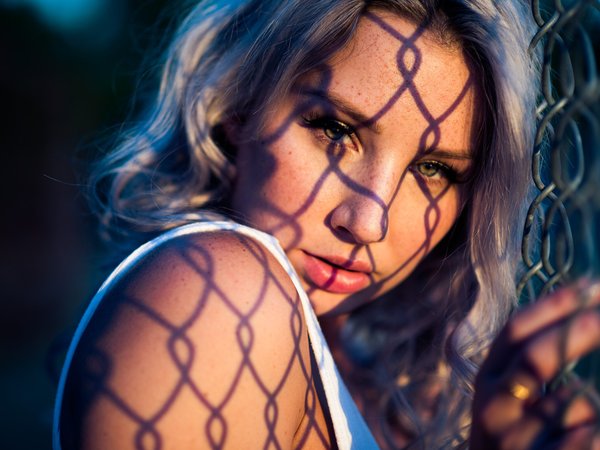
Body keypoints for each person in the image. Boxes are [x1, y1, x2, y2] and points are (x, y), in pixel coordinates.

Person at [53, 0, 600, 448]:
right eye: (335, 130)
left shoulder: (386, 380)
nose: (369, 221)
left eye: (433, 170)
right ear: (239, 104)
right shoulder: (220, 290)